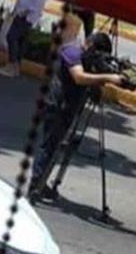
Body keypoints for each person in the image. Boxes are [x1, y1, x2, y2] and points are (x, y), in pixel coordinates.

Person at [28, 14, 126, 200]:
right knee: (49, 145)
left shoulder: (88, 60)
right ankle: (35, 184)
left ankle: (42, 181)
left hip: (69, 107)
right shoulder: (72, 52)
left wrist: (100, 80)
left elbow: (89, 81)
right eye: (97, 52)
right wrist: (108, 78)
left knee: (56, 145)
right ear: (89, 45)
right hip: (57, 105)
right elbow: (79, 77)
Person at [0, 0, 47, 77]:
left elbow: (34, 2)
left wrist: (24, 12)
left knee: (11, 37)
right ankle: (16, 67)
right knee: (20, 41)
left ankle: (12, 65)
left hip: (25, 16)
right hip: (26, 15)